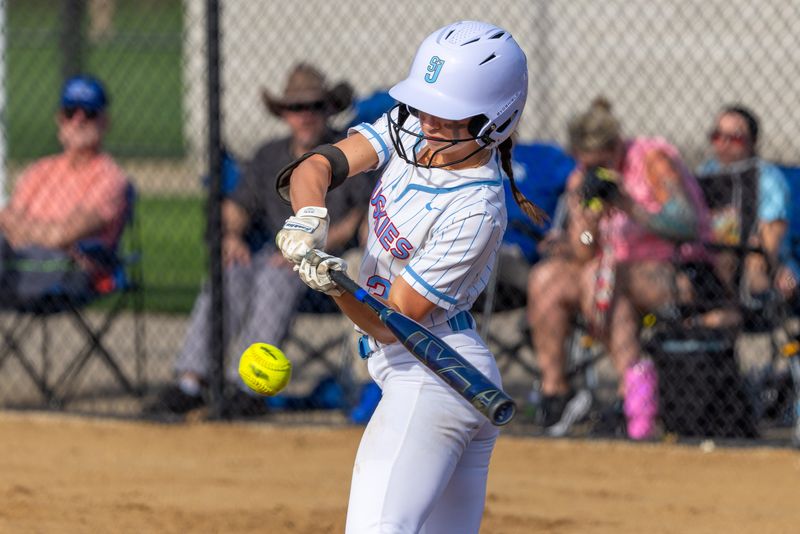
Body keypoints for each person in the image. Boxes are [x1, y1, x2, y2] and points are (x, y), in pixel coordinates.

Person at [274, 20, 544, 534]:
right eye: (426, 105)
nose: (428, 119)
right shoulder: (414, 126)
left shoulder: (476, 208)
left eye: (448, 113)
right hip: (429, 373)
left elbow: (390, 321)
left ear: (494, 120)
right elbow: (317, 167)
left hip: (435, 376)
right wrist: (310, 218)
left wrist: (332, 282)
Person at [145, 63, 372, 418]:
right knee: (232, 271)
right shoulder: (270, 156)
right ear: (283, 113)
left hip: (331, 267)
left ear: (329, 108)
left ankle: (249, 387)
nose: (305, 115)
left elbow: (361, 213)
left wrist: (310, 248)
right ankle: (192, 383)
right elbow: (237, 206)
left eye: (314, 106)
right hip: (277, 256)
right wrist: (231, 236)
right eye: (296, 107)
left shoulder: (344, 152)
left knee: (274, 275)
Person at [526, 97, 714, 440]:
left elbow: (686, 224)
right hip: (606, 277)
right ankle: (556, 393)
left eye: (601, 164)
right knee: (547, 279)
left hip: (676, 269)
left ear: (616, 146)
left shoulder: (652, 159)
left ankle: (632, 397)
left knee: (606, 278)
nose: (595, 173)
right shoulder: (582, 180)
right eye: (587, 165)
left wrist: (627, 203)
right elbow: (584, 251)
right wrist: (588, 224)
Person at [0, 74, 129, 306]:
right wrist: (48, 234)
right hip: (19, 263)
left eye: (88, 114)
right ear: (60, 119)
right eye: (70, 113)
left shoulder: (111, 179)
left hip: (70, 272)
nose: (78, 121)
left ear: (105, 122)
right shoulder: (40, 170)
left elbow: (65, 235)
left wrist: (28, 232)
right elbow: (7, 219)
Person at [696, 105, 793, 307]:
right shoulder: (706, 172)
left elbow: (772, 233)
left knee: (754, 247)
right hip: (711, 246)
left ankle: (753, 300)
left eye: (735, 138)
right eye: (717, 136)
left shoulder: (768, 179)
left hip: (754, 252)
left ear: (753, 142)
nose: (723, 144)